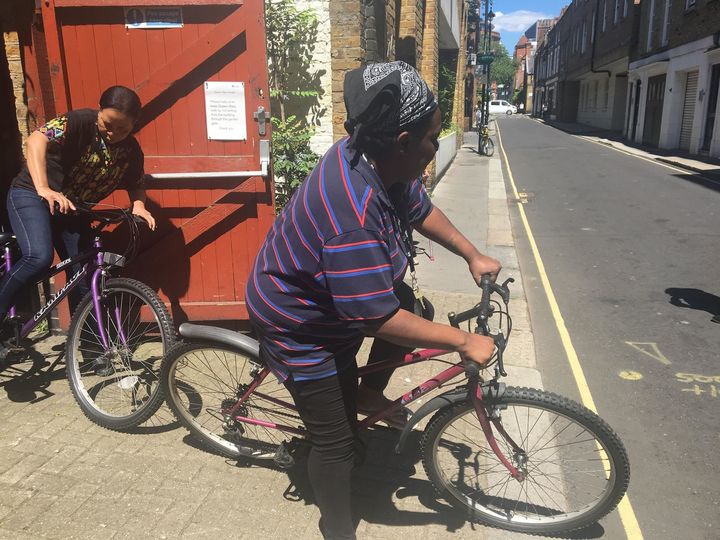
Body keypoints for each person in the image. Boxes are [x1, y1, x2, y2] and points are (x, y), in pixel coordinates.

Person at [246, 61, 501, 540]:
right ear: (404, 141)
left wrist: (472, 254)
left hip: (336, 301)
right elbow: (376, 316)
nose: (435, 145)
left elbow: (417, 205)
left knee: (413, 305)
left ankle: (361, 392)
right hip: (299, 323)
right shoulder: (352, 217)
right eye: (433, 136)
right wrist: (463, 341)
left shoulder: (375, 155)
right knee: (337, 445)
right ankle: (336, 528)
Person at [0, 85, 155, 326]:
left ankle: (90, 352)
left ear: (135, 123)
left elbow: (135, 182)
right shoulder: (79, 122)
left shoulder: (131, 151)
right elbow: (36, 141)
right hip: (31, 195)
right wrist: (43, 187)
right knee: (39, 258)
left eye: (123, 128)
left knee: (84, 274)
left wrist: (139, 205)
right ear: (99, 110)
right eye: (108, 124)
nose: (113, 133)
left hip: (71, 208)